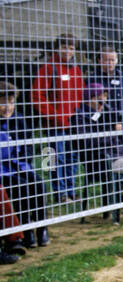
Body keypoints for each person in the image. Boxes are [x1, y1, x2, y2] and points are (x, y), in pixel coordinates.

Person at [31, 33, 84, 203]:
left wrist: (79, 115)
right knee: (57, 157)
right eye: (64, 47)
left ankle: (71, 189)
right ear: (56, 48)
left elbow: (81, 94)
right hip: (55, 124)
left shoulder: (76, 69)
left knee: (72, 157)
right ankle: (60, 193)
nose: (67, 51)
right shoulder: (48, 68)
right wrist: (55, 115)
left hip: (73, 123)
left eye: (71, 48)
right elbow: (37, 96)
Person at [0, 80, 50, 247]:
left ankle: (42, 227)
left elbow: (28, 147)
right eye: (3, 103)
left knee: (38, 183)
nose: (8, 107)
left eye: (11, 102)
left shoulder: (19, 120)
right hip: (3, 171)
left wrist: (22, 161)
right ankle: (26, 229)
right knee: (21, 187)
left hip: (19, 165)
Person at [70, 82, 123, 221]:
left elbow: (122, 139)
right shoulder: (79, 117)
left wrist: (118, 129)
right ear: (90, 98)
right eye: (99, 98)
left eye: (105, 97)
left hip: (114, 157)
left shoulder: (106, 113)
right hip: (98, 161)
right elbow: (89, 143)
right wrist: (111, 133)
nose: (103, 101)